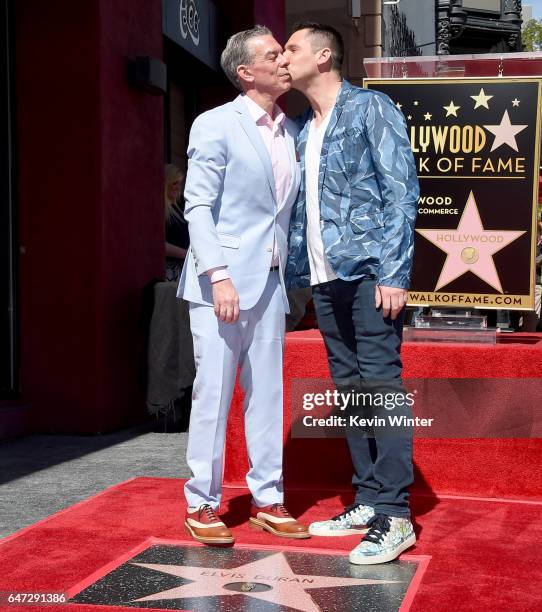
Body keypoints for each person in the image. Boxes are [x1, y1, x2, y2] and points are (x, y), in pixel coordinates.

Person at [284, 22, 419, 564]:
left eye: (290, 49)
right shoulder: (300, 129)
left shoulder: (370, 108)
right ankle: (367, 498)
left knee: (381, 387)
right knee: (351, 390)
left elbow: (401, 191)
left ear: (322, 56)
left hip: (369, 273)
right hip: (326, 277)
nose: (283, 56)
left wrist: (394, 271)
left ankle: (396, 514)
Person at [178, 26, 308, 545]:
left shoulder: (294, 131)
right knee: (213, 395)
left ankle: (268, 497)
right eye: (273, 56)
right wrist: (219, 276)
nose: (283, 63)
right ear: (244, 72)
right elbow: (198, 207)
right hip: (221, 284)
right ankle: (202, 503)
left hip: (273, 284)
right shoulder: (215, 124)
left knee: (268, 394)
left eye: (283, 54)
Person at [164, 164, 189, 282]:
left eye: (180, 183)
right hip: (170, 269)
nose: (177, 187)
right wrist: (187, 254)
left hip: (185, 266)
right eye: (174, 183)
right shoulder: (160, 208)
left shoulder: (181, 204)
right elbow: (157, 244)